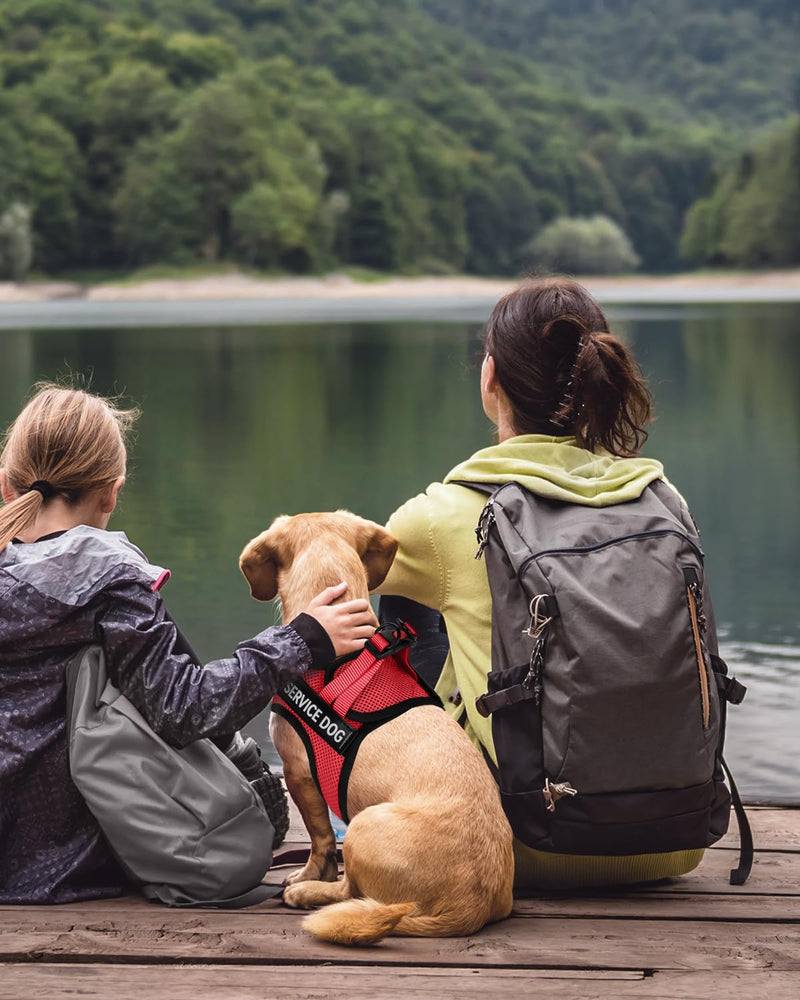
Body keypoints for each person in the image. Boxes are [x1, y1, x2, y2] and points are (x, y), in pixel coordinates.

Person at [376, 276, 706, 890]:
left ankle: (382, 824)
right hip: (676, 839)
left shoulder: (440, 516)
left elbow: (342, 583)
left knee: (380, 610)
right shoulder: (664, 500)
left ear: (489, 378)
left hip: (512, 842)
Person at [0, 383, 375, 904]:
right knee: (250, 792)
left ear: (5, 487)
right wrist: (300, 640)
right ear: (112, 491)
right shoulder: (111, 584)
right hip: (81, 863)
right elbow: (184, 709)